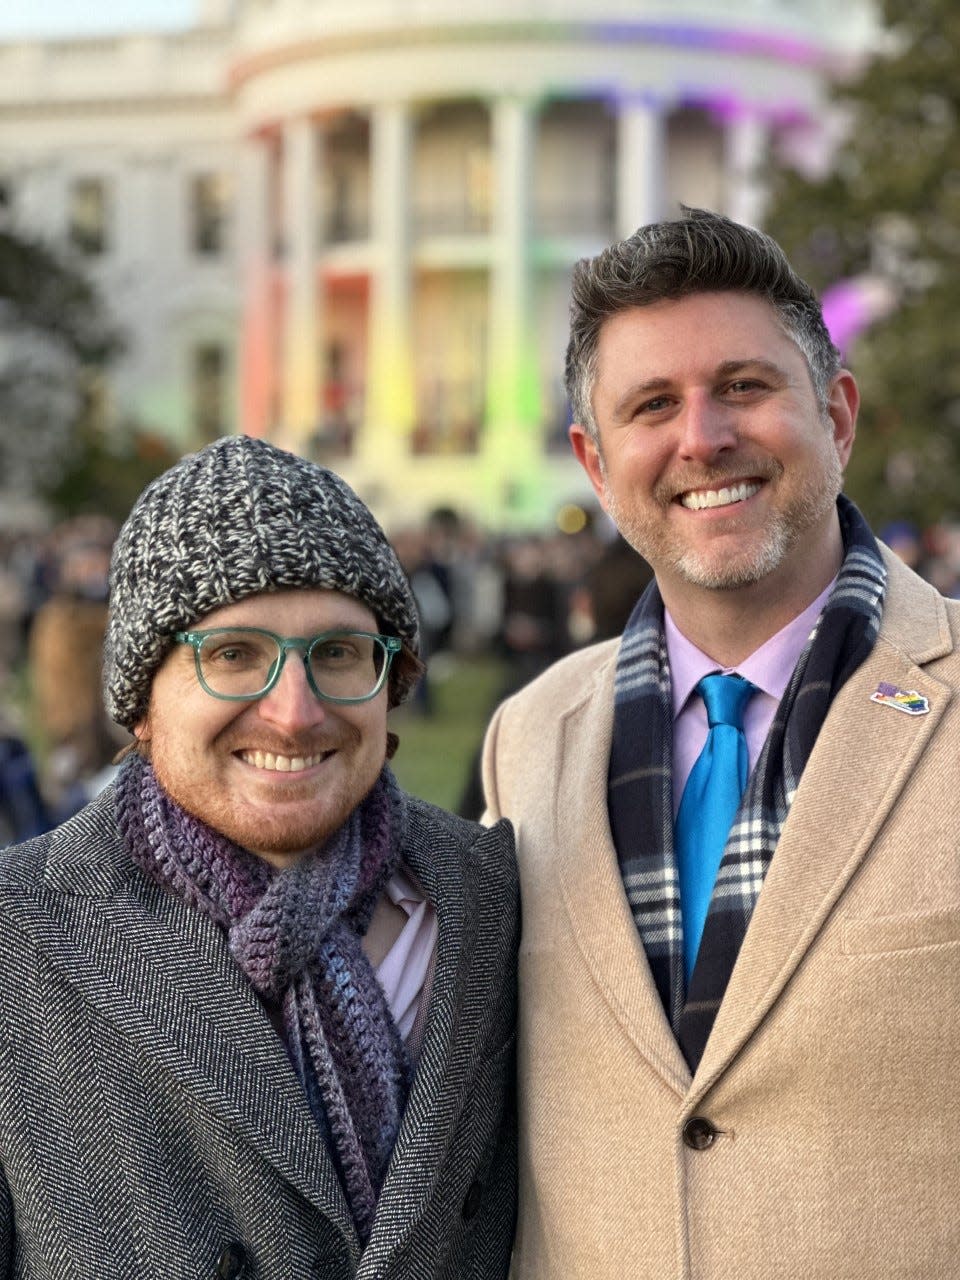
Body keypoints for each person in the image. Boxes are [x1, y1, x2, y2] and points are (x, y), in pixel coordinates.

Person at [481, 207, 960, 1278]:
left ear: (836, 414)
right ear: (596, 465)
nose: (703, 437)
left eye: (743, 386)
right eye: (652, 405)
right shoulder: (529, 736)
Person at [0, 436, 518, 1279]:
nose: (294, 713)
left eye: (338, 654)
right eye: (233, 655)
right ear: (142, 702)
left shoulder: (492, 895)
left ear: (392, 682)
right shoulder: (21, 932)